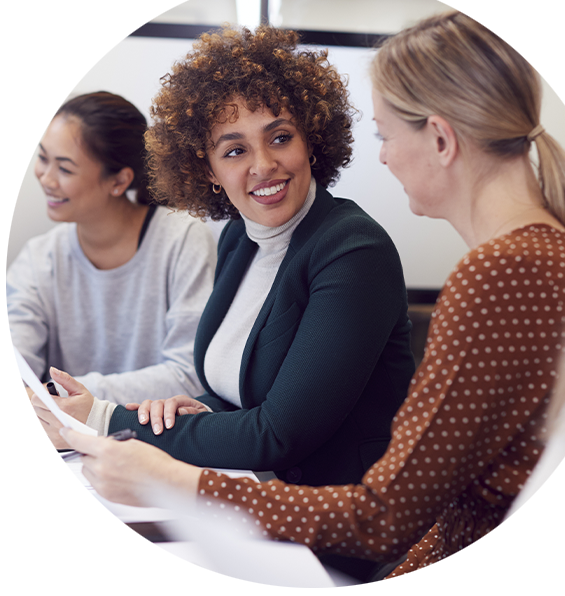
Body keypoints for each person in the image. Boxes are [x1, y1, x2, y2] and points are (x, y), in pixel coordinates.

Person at [47, 12, 565, 586]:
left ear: (439, 138)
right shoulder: (530, 261)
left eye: (385, 135)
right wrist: (184, 423)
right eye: (234, 150)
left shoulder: (501, 274)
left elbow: (384, 516)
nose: (382, 157)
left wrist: (174, 477)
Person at [31, 27, 415, 503]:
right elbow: (244, 394)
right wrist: (191, 412)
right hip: (252, 495)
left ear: (311, 141)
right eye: (234, 150)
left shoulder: (353, 251)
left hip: (340, 524)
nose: (263, 165)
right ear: (208, 170)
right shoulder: (239, 237)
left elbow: (279, 433)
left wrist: (106, 420)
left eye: (280, 137)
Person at [8, 91, 216, 405]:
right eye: (42, 158)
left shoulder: (183, 239)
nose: (46, 178)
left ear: (119, 181)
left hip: (157, 438)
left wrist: (64, 394)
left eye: (64, 169)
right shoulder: (39, 259)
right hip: (71, 438)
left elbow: (188, 374)